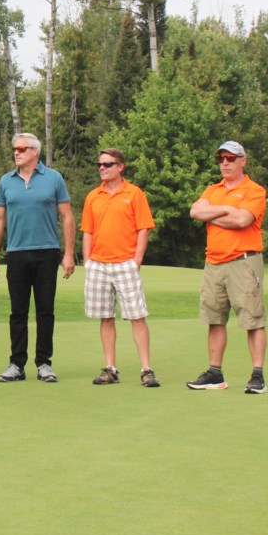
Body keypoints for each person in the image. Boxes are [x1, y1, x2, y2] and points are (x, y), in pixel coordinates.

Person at [0, 133, 75, 383]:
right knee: (18, 312)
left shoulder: (54, 178)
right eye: (15, 148)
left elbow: (67, 217)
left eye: (22, 148)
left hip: (47, 252)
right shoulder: (6, 181)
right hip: (16, 253)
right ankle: (17, 364)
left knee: (45, 310)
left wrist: (69, 254)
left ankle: (44, 363)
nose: (16, 152)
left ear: (35, 152)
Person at [187, 141, 268, 394]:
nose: (225, 163)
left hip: (244, 261)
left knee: (252, 319)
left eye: (231, 158)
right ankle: (215, 373)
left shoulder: (254, 190)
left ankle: (258, 376)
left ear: (243, 160)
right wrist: (225, 209)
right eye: (221, 159)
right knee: (215, 318)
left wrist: (212, 213)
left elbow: (243, 219)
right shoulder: (213, 189)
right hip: (213, 262)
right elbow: (195, 212)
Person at [81, 148, 160, 387]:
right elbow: (88, 231)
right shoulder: (93, 196)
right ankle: (110, 368)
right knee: (105, 317)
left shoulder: (134, 194)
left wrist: (136, 260)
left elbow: (143, 228)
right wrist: (87, 260)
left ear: (120, 167)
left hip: (125, 262)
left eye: (108, 164)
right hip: (98, 264)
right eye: (100, 164)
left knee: (137, 316)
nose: (102, 168)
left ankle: (146, 369)